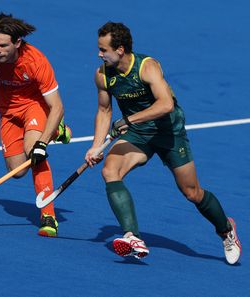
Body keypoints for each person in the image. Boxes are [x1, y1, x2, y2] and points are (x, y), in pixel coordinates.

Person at [84, 22, 242, 264]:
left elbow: (166, 104)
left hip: (169, 132)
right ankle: (132, 237)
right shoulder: (103, 75)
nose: (99, 54)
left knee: (192, 192)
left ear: (120, 50)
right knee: (110, 171)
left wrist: (129, 119)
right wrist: (96, 146)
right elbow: (104, 110)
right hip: (138, 135)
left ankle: (226, 229)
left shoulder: (148, 67)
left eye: (103, 49)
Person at [0, 13, 72, 237]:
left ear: (17, 43)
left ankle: (48, 215)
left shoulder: (35, 62)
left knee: (35, 153)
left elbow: (57, 106)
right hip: (7, 112)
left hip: (34, 107)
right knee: (17, 171)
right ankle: (56, 130)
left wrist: (42, 143)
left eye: (3, 45)